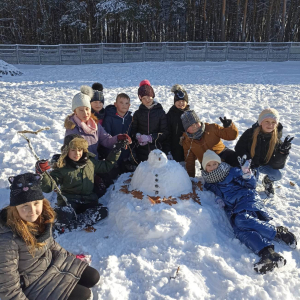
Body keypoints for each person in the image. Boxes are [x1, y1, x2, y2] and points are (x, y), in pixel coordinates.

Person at [0, 172, 100, 300]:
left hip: (50, 264)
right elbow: (8, 288)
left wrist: (70, 258)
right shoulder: (7, 239)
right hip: (34, 283)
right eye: (25, 206)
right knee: (84, 295)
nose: (32, 210)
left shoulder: (41, 218)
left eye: (36, 203)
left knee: (93, 277)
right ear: (15, 208)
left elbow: (51, 244)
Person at [201, 150, 297, 274]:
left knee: (241, 220)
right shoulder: (209, 182)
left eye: (214, 163)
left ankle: (276, 232)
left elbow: (251, 185)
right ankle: (268, 254)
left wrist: (247, 174)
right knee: (240, 231)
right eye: (209, 165)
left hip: (246, 198)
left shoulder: (231, 171)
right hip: (233, 208)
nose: (212, 167)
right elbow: (214, 191)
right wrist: (218, 198)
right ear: (204, 167)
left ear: (219, 163)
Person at [36, 134, 124, 233]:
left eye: (80, 150)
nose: (77, 153)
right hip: (69, 201)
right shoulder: (62, 167)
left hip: (88, 199)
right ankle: (71, 218)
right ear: (66, 151)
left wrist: (116, 150)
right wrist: (42, 174)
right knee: (63, 214)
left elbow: (106, 166)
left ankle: (75, 224)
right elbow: (48, 187)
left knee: (102, 211)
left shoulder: (90, 162)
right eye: (73, 150)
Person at [235, 108, 293, 197]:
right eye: (267, 121)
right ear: (261, 122)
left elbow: (277, 165)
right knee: (252, 185)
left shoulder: (276, 139)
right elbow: (239, 148)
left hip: (264, 165)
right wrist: (246, 158)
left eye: (273, 122)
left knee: (277, 175)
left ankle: (267, 181)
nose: (270, 125)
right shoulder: (250, 133)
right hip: (251, 164)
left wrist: (282, 152)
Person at [64, 85, 130, 158]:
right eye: (81, 110)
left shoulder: (94, 124)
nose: (85, 113)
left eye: (87, 109)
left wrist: (118, 138)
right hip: (81, 164)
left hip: (95, 163)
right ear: (75, 112)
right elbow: (72, 151)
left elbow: (106, 139)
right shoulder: (72, 128)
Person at [180, 110, 239, 177]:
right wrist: (191, 177)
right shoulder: (187, 140)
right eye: (190, 125)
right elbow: (189, 160)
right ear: (186, 129)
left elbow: (231, 136)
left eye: (196, 123)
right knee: (217, 177)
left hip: (222, 153)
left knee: (237, 163)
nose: (194, 126)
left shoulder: (212, 128)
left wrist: (229, 127)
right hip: (207, 162)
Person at [131, 80, 168, 162]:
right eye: (143, 98)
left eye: (148, 96)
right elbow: (133, 130)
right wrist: (137, 136)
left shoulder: (160, 113)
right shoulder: (137, 114)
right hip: (141, 151)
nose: (147, 100)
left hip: (157, 150)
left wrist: (151, 138)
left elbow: (165, 133)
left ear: (153, 96)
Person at [102, 93, 134, 172]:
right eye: (121, 103)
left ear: (129, 105)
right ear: (115, 104)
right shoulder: (109, 118)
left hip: (126, 154)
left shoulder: (130, 119)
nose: (124, 105)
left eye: (126, 103)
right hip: (112, 153)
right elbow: (106, 138)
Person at [164, 84, 190, 164]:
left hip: (187, 149)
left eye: (183, 101)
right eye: (178, 101)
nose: (180, 103)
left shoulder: (190, 114)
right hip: (174, 148)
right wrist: (167, 150)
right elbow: (167, 132)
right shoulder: (170, 114)